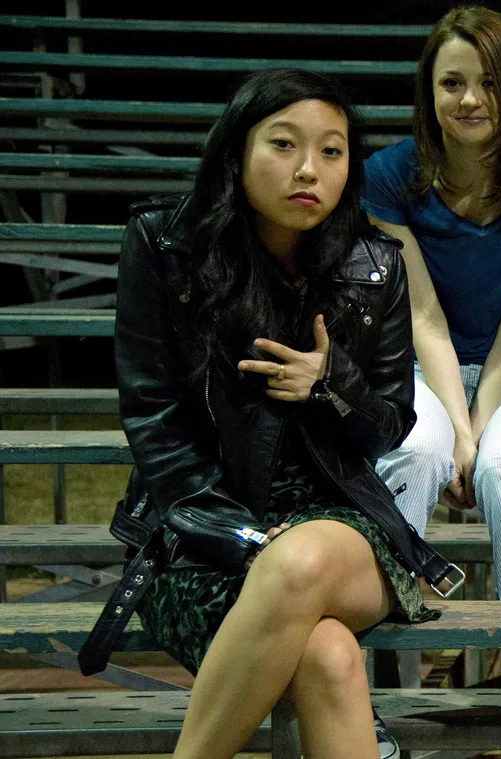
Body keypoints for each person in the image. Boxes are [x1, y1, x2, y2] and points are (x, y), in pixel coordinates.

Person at [77, 69, 460, 759]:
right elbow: (155, 422)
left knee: (298, 561)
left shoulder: (376, 264)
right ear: (236, 153)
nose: (309, 169)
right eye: (284, 144)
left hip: (341, 530)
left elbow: (389, 426)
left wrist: (329, 383)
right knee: (327, 654)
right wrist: (243, 534)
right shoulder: (166, 246)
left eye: (332, 151)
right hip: (202, 534)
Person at [360, 7, 501, 758]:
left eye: (488, 81)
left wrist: (479, 433)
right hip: (419, 367)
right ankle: (362, 704)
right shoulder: (390, 175)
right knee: (416, 452)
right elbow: (422, 314)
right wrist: (456, 428)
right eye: (451, 82)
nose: (469, 99)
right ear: (429, 92)